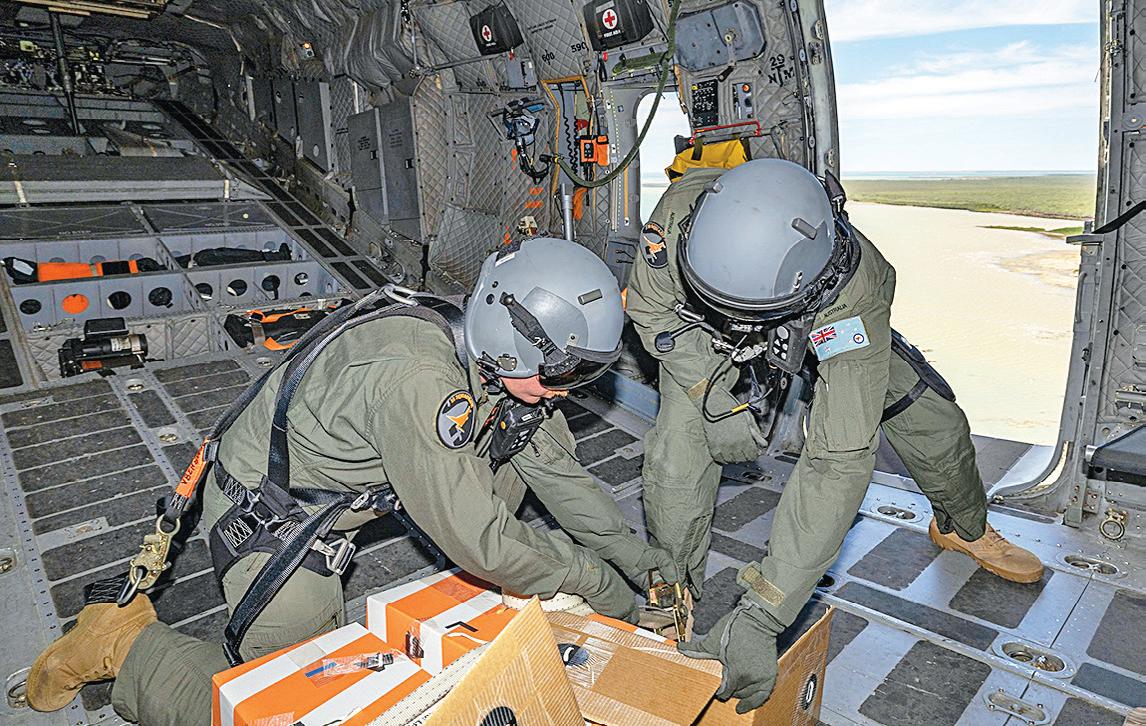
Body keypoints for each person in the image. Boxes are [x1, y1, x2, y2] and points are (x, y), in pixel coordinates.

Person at [27, 236, 674, 725]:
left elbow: (562, 477)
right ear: (512, 340)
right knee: (296, 705)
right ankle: (124, 644)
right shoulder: (419, 382)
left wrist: (643, 568)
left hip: (344, 488)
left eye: (580, 377)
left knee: (525, 449)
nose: (562, 392)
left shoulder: (491, 358)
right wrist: (594, 584)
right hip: (273, 513)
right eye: (560, 374)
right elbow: (481, 539)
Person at [625, 157, 1044, 713]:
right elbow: (654, 315)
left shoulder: (854, 288)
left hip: (823, 322)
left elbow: (836, 461)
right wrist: (715, 398)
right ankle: (671, 594)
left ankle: (964, 527)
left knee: (934, 423)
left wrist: (764, 614)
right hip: (707, 336)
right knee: (676, 456)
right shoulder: (679, 219)